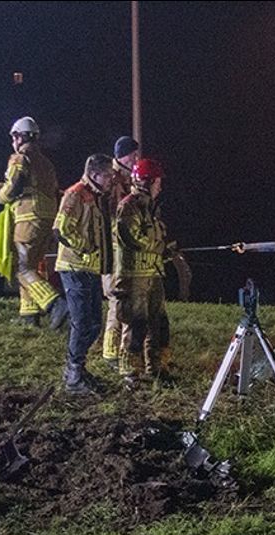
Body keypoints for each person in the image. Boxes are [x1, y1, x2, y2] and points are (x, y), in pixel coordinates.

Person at [54, 154, 115, 394]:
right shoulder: (76, 194)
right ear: (94, 174)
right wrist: (85, 247)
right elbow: (61, 229)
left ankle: (78, 369)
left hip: (90, 269)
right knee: (82, 322)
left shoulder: (97, 198)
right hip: (74, 267)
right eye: (107, 175)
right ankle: (73, 375)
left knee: (93, 324)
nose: (111, 179)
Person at [0, 116, 67, 327]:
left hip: (28, 218)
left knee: (22, 268)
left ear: (20, 137)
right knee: (32, 265)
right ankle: (29, 315)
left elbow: (14, 186)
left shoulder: (20, 158)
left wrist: (1, 196)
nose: (13, 142)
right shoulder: (46, 163)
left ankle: (55, 303)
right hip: (47, 218)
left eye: (14, 137)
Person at [112, 157, 173, 387]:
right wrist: (159, 246)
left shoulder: (152, 208)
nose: (160, 186)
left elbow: (155, 236)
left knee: (159, 323)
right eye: (157, 181)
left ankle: (157, 367)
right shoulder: (129, 206)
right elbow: (132, 238)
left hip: (153, 274)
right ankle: (130, 371)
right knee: (135, 324)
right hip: (133, 276)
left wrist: (165, 249)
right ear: (146, 181)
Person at [102, 136, 140, 368]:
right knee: (116, 300)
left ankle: (121, 351)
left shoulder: (126, 178)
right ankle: (110, 352)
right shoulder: (114, 180)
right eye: (133, 155)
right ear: (122, 155)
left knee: (124, 300)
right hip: (114, 248)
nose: (136, 159)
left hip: (123, 247)